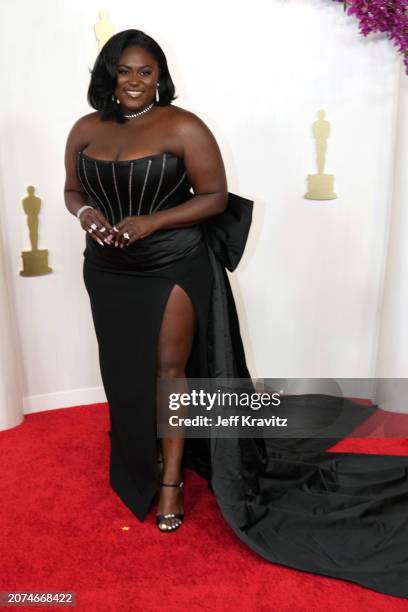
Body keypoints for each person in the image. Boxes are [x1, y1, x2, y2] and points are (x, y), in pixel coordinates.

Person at [64, 29, 408, 599]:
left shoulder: (184, 125)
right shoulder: (84, 128)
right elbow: (73, 189)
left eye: (145, 71)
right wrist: (87, 215)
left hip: (173, 264)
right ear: (108, 72)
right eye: (124, 70)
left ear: (160, 75)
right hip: (106, 268)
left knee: (171, 374)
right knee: (124, 370)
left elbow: (215, 198)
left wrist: (151, 221)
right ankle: (137, 461)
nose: (133, 81)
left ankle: (171, 484)